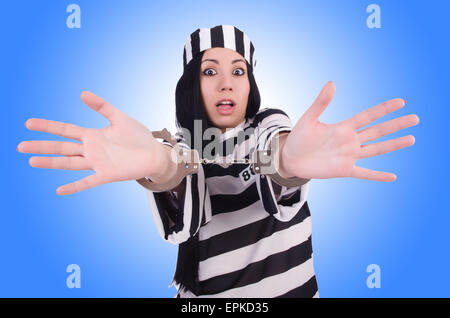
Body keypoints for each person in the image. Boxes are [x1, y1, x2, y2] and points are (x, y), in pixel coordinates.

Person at [17, 25, 419, 298]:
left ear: (249, 84)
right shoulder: (183, 148)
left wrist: (291, 159)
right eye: (210, 71)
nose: (226, 82)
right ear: (193, 84)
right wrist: (155, 162)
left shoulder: (270, 124)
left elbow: (274, 153)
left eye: (238, 71)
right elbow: (178, 175)